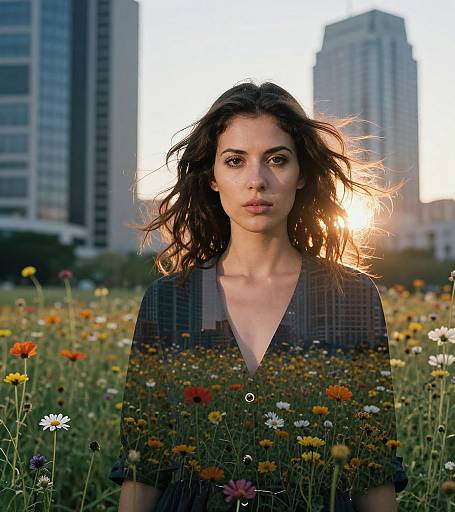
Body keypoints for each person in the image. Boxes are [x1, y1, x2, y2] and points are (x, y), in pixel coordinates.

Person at [109, 81, 408, 512]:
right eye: (235, 161)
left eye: (277, 160)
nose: (257, 181)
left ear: (301, 173)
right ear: (212, 178)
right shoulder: (168, 300)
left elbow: (372, 467)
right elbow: (143, 466)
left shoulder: (352, 298)